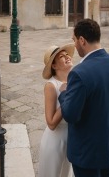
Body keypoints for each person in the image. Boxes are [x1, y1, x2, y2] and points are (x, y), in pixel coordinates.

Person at [58, 18, 109, 177]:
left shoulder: (79, 73)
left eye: (74, 40)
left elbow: (70, 114)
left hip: (87, 152)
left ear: (82, 40)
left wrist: (64, 93)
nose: (74, 45)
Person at [38, 43, 75, 177]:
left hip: (72, 138)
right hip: (55, 142)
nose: (67, 57)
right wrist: (67, 97)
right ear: (54, 65)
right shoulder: (51, 86)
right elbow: (51, 123)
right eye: (61, 56)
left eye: (67, 54)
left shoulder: (74, 81)